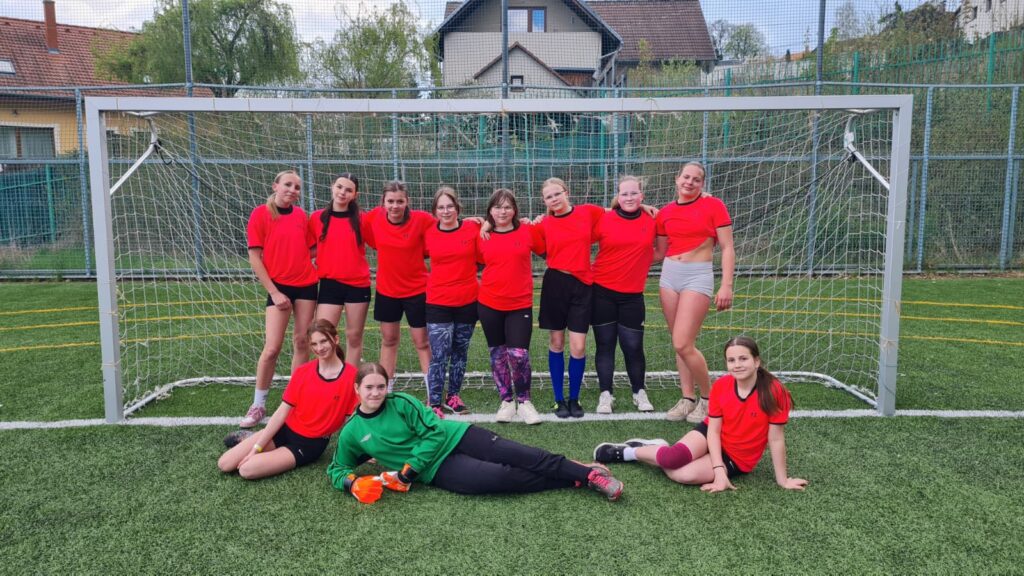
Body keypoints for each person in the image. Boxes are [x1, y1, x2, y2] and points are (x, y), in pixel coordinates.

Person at [327, 362, 624, 502]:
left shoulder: (401, 402)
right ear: (356, 389)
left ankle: (589, 474)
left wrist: (407, 472)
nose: (376, 393)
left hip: (455, 436)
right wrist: (352, 484)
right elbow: (337, 468)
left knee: (521, 455)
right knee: (500, 478)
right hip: (436, 470)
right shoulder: (353, 431)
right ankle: (572, 477)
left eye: (381, 386)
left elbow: (434, 433)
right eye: (369, 387)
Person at [592, 336, 807, 493]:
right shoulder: (721, 386)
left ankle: (656, 448)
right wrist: (718, 470)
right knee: (672, 458)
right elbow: (713, 431)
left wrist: (783, 480)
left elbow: (776, 439)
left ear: (756, 361)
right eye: (731, 360)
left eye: (743, 359)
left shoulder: (774, 392)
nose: (737, 365)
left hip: (737, 457)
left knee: (682, 474)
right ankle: (630, 452)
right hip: (712, 433)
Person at [219, 319, 359, 479]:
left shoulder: (352, 377)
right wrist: (255, 449)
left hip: (308, 444)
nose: (319, 348)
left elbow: (352, 421)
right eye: (314, 344)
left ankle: (255, 443)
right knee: (225, 464)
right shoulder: (303, 372)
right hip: (284, 430)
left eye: (324, 341)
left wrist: (361, 448)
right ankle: (252, 439)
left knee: (246, 470)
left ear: (336, 339)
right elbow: (281, 413)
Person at [656, 162, 735, 423]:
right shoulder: (665, 213)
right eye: (686, 177)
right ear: (676, 178)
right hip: (669, 277)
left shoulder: (714, 205)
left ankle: (709, 399)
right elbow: (659, 252)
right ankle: (687, 398)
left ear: (702, 184)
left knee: (683, 342)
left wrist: (726, 284)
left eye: (696, 179)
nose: (690, 182)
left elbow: (727, 247)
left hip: (697, 275)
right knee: (679, 344)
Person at [241, 170, 319, 428]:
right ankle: (258, 404)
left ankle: (295, 401)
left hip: (307, 285)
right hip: (279, 288)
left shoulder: (301, 216)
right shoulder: (260, 214)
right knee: (272, 348)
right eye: (288, 185)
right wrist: (274, 292)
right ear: (275, 186)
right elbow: (255, 257)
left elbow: (310, 248)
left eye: (297, 187)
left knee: (302, 342)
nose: (293, 190)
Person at [534, 177, 606, 419]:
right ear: (544, 201)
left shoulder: (588, 212)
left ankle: (574, 398)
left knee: (578, 346)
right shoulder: (543, 224)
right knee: (556, 343)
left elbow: (615, 211)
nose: (554, 199)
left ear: (567, 192)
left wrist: (645, 207)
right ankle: (559, 400)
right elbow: (517, 230)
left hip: (583, 285)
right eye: (549, 197)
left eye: (557, 194)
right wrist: (484, 224)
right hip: (555, 284)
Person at [590, 176, 662, 414]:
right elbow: (577, 237)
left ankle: (639, 391)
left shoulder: (653, 220)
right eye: (624, 194)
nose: (629, 198)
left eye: (634, 193)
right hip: (602, 291)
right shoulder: (604, 219)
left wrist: (637, 261)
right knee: (605, 344)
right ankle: (605, 394)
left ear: (642, 196)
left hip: (632, 295)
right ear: (617, 197)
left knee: (633, 346)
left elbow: (660, 252)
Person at [476, 189, 545, 425]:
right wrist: (480, 224)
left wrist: (541, 219)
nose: (502, 211)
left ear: (515, 210)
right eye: (497, 207)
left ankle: (524, 402)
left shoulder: (527, 231)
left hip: (519, 304)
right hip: (489, 303)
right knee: (498, 355)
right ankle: (506, 401)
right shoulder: (481, 235)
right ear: (490, 210)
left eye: (507, 207)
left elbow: (549, 249)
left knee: (518, 355)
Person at [363, 180, 435, 386]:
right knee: (389, 340)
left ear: (407, 201)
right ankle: (385, 390)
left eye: (400, 201)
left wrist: (473, 222)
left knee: (422, 342)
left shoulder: (422, 220)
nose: (395, 206)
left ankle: (433, 392)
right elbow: (368, 238)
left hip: (417, 291)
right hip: (387, 291)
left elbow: (447, 226)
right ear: (383, 202)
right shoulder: (373, 218)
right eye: (391, 201)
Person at [423, 187, 479, 417]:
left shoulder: (472, 228)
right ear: (435, 211)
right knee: (439, 354)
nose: (446, 211)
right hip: (438, 302)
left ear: (458, 208)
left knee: (460, 353)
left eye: (450, 206)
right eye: (441, 207)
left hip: (468, 301)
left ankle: (453, 396)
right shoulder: (428, 232)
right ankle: (434, 401)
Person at [309, 173, 371, 365]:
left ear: (355, 195)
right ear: (332, 187)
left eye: (348, 190)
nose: (343, 192)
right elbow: (309, 249)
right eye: (339, 187)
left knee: (354, 336)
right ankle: (326, 374)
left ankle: (350, 378)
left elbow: (383, 242)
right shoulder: (317, 218)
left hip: (358, 285)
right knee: (323, 335)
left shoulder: (363, 219)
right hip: (330, 284)